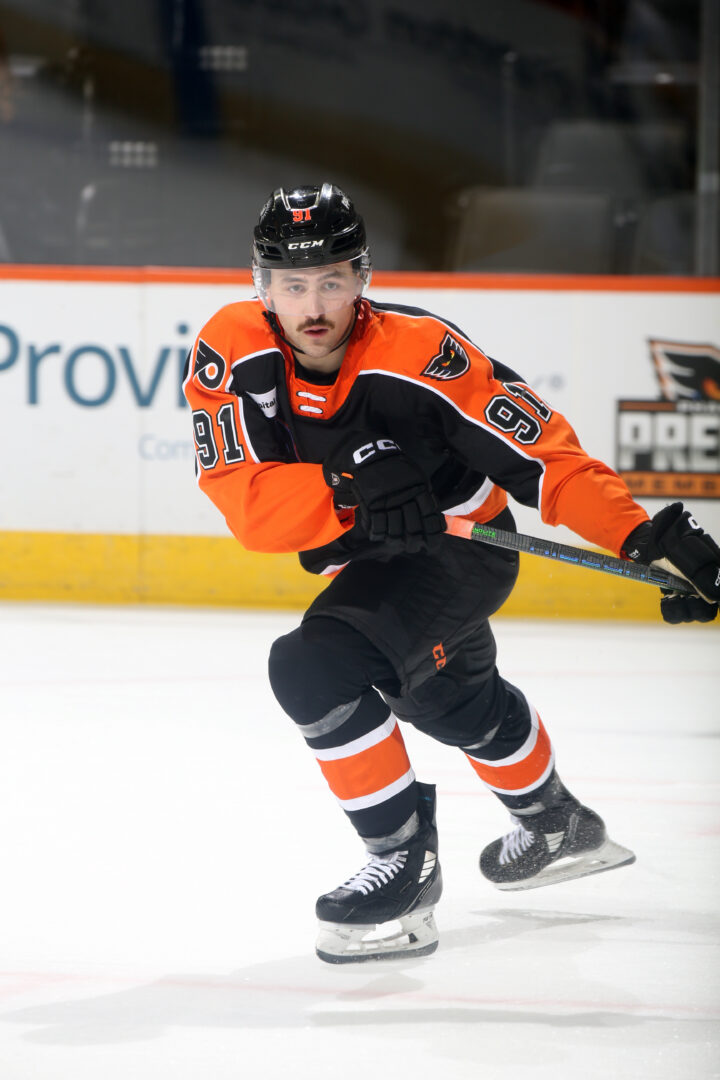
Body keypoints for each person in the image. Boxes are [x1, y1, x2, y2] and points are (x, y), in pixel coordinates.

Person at [183, 183, 720, 964]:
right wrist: (344, 486)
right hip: (372, 557)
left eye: (333, 279)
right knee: (450, 703)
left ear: (363, 277)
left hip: (465, 549)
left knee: (313, 665)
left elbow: (548, 459)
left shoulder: (423, 353)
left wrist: (639, 534)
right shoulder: (228, 350)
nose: (314, 305)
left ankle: (404, 864)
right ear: (259, 284)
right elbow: (244, 503)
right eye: (293, 285)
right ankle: (554, 821)